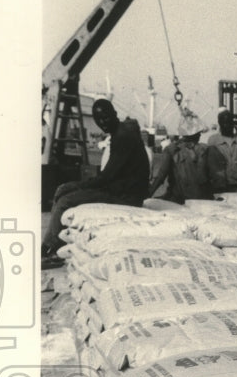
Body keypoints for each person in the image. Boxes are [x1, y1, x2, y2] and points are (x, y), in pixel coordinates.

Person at [41, 99, 150, 266]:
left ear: (114, 114)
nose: (102, 123)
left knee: (65, 200)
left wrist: (74, 186)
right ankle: (52, 245)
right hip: (122, 190)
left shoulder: (122, 137)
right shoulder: (120, 134)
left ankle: (48, 249)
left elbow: (107, 177)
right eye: (98, 120)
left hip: (126, 196)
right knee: (65, 193)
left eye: (105, 118)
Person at [148, 115, 213, 204]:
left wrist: (147, 195)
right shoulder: (205, 149)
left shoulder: (171, 150)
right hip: (203, 197)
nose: (200, 134)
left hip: (179, 198)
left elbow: (160, 177)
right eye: (198, 132)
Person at [207, 108, 237, 192]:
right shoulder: (213, 140)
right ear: (219, 124)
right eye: (224, 123)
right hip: (219, 188)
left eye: (229, 122)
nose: (226, 125)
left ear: (233, 123)